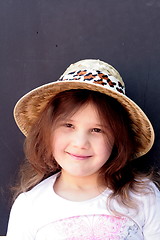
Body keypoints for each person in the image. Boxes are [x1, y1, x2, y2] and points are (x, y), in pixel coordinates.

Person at [7, 59, 160, 239]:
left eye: (97, 130)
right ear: (47, 132)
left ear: (117, 139)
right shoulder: (30, 207)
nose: (80, 143)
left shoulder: (143, 196)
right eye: (69, 125)